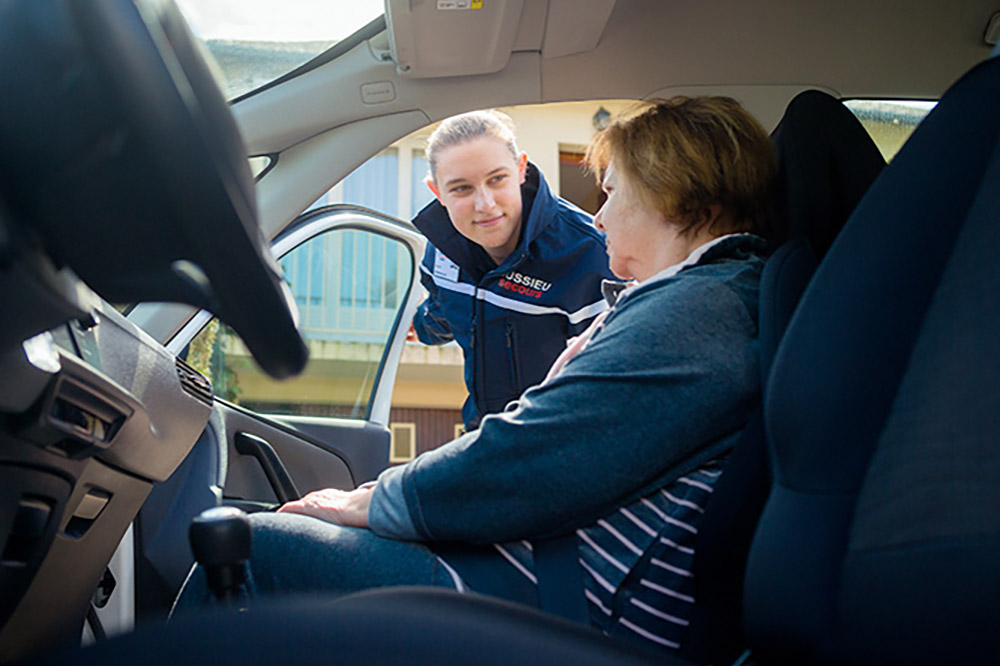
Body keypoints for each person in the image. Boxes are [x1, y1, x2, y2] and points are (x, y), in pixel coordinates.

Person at [176, 97, 774, 655]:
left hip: (573, 599)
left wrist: (371, 498)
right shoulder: (700, 297)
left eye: (614, 193)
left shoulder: (696, 310)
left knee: (255, 547)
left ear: (676, 198)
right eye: (460, 189)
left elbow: (538, 456)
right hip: (553, 556)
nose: (599, 216)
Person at [409, 109, 614, 430]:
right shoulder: (442, 248)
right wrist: (420, 328)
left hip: (563, 448)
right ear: (438, 193)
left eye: (497, 179)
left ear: (520, 169)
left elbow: (613, 382)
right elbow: (442, 309)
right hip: (482, 438)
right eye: (461, 188)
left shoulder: (593, 255)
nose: (485, 204)